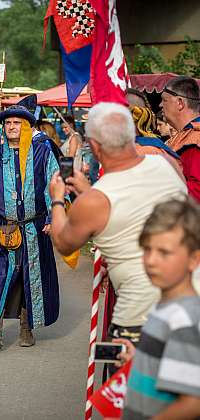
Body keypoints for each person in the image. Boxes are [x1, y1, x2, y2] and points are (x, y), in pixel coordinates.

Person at [49, 102, 187, 349]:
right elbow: (126, 205)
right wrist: (88, 191)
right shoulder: (165, 164)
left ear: (95, 146)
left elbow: (63, 242)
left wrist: (57, 198)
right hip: (187, 307)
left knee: (135, 388)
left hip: (140, 322)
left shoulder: (96, 200)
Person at [0, 105, 60, 349]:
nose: (12, 126)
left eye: (17, 122)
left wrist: (52, 217)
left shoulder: (42, 154)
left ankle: (26, 328)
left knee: (28, 277)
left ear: (26, 126)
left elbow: (54, 186)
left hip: (34, 229)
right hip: (1, 229)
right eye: (8, 123)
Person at [114, 198, 200, 420]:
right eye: (147, 249)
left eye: (164, 252)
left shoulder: (183, 319)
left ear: (193, 259)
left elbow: (193, 403)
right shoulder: (166, 308)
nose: (151, 260)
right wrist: (139, 360)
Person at [161, 76, 200, 202]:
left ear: (180, 103)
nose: (160, 105)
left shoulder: (195, 138)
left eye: (164, 100)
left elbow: (197, 190)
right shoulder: (187, 134)